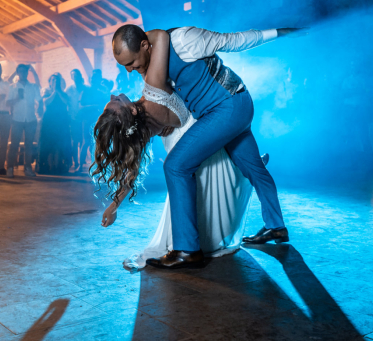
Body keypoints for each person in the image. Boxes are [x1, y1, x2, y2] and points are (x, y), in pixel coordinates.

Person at [108, 24, 304, 269]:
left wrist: (277, 32)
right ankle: (276, 227)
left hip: (227, 107)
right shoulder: (152, 67)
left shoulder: (183, 40)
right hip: (232, 107)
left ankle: (187, 250)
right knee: (254, 169)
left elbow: (233, 39)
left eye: (132, 62)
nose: (129, 70)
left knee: (176, 166)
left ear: (145, 46)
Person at [7, 64, 43, 178]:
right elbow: (7, 103)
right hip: (17, 119)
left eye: (24, 71)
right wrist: (16, 98)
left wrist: (40, 107)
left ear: (27, 73)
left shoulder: (33, 87)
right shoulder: (12, 87)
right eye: (20, 71)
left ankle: (28, 168)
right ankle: (10, 168)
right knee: (14, 145)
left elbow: (39, 99)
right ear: (17, 73)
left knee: (29, 145)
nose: (22, 73)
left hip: (31, 119)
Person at [38, 73, 72, 175]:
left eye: (57, 81)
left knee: (59, 144)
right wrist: (54, 92)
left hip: (61, 122)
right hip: (49, 122)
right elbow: (46, 102)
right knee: (48, 144)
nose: (55, 83)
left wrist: (58, 91)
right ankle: (49, 166)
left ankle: (57, 166)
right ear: (49, 82)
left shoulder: (64, 94)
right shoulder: (46, 93)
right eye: (53, 80)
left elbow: (65, 102)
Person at [78, 70, 107, 169]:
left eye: (97, 79)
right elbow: (80, 106)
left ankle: (97, 166)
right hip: (87, 120)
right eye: (93, 78)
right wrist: (93, 106)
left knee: (98, 143)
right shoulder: (85, 91)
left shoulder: (102, 93)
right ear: (91, 80)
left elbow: (106, 106)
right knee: (85, 142)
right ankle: (80, 166)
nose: (95, 81)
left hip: (98, 120)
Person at [65, 69, 85, 172]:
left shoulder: (85, 88)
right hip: (73, 118)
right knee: (75, 141)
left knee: (83, 141)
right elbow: (66, 103)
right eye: (73, 75)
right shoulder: (69, 90)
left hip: (84, 118)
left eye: (77, 75)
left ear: (80, 76)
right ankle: (76, 162)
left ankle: (81, 163)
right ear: (71, 77)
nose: (75, 77)